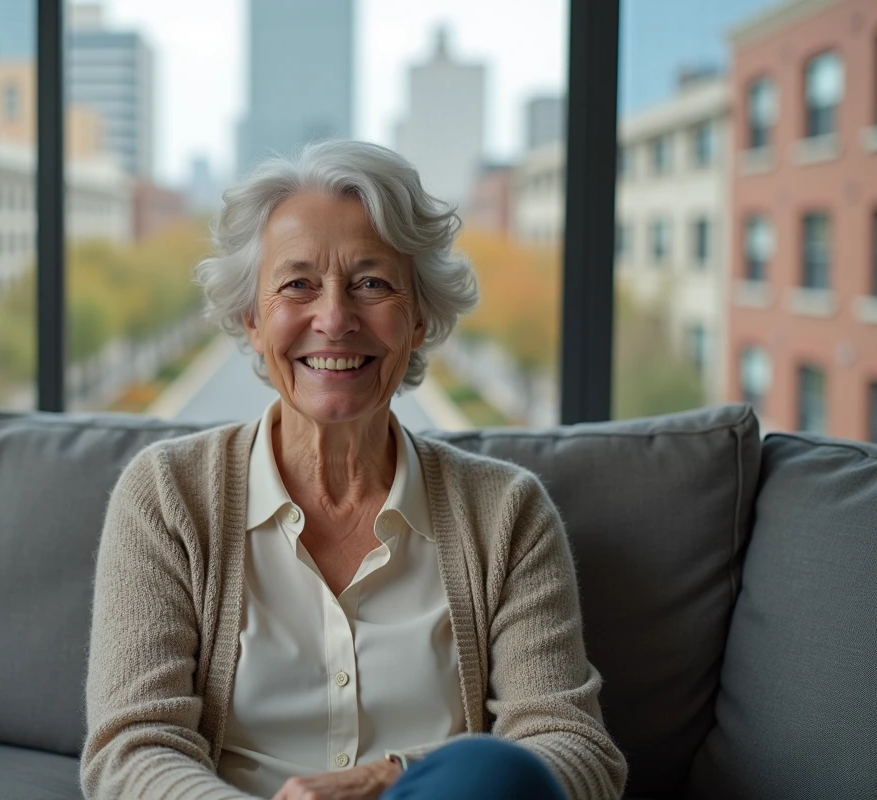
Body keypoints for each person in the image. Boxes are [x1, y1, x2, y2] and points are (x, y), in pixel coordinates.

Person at [80, 140, 627, 800]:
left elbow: (575, 749)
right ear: (252, 319)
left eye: (372, 284)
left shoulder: (507, 512)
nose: (335, 318)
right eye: (298, 285)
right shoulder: (168, 495)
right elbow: (132, 750)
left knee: (499, 773)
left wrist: (397, 779)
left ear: (419, 318)